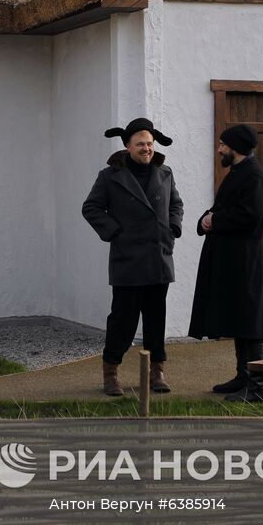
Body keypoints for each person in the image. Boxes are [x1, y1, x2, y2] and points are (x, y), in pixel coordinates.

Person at [82, 118, 184, 397]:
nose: (146, 149)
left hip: (158, 258)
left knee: (156, 319)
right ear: (127, 146)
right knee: (122, 321)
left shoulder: (165, 173)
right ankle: (111, 372)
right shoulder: (110, 176)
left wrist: (173, 227)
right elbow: (91, 208)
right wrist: (115, 232)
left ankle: (157, 372)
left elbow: (176, 204)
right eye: (140, 144)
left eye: (150, 144)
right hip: (128, 260)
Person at [188, 124, 263, 402]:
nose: (219, 148)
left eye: (223, 144)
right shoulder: (238, 172)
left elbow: (251, 215)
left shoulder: (254, 176)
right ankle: (243, 377)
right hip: (232, 258)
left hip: (246, 260)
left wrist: (216, 220)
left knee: (250, 320)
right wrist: (206, 219)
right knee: (239, 316)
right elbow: (226, 208)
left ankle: (257, 387)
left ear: (235, 148)